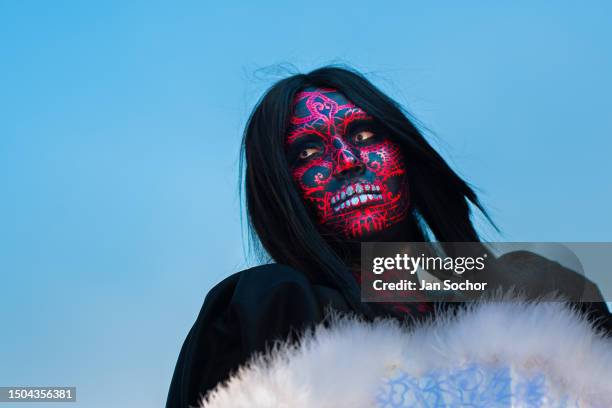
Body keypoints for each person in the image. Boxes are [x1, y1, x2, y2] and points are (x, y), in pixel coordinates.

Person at [165, 66, 612, 408]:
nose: (345, 159)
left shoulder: (539, 287)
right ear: (282, 189)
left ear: (400, 148)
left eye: (363, 134)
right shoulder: (266, 305)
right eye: (308, 150)